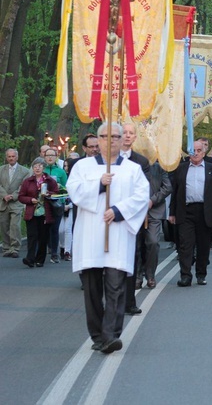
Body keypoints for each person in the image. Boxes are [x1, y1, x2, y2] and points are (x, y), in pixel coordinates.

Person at [66, 122, 149, 354]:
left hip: (118, 234)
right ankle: (97, 334)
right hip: (91, 235)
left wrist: (119, 210)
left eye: (115, 136)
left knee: (116, 286)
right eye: (105, 136)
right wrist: (99, 185)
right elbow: (74, 192)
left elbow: (142, 196)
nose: (109, 140)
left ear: (122, 139)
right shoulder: (82, 167)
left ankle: (111, 334)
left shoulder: (132, 169)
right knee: (92, 288)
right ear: (98, 140)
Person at [169, 141, 212, 286]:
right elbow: (175, 192)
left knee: (203, 244)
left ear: (204, 152)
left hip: (205, 212)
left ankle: (201, 273)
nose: (196, 153)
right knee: (185, 245)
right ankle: (185, 275)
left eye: (199, 150)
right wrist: (172, 212)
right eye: (193, 150)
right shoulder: (181, 169)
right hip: (185, 211)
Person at [120, 123, 151, 315]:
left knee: (132, 258)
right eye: (124, 132)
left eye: (131, 133)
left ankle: (129, 301)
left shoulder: (141, 161)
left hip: (132, 217)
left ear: (135, 138)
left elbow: (145, 188)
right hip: (111, 216)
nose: (127, 136)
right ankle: (113, 300)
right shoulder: (109, 160)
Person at [18, 157, 59, 267]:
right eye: (35, 166)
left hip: (46, 213)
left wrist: (48, 194)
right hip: (32, 212)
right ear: (32, 168)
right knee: (32, 236)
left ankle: (40, 259)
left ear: (44, 168)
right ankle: (30, 258)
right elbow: (21, 196)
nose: (37, 168)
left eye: (40, 166)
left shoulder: (50, 180)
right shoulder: (28, 181)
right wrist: (30, 200)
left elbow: (56, 193)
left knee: (43, 236)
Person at [142, 161, 171, 288]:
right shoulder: (133, 164)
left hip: (154, 212)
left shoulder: (159, 167)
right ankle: (137, 275)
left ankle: (150, 274)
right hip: (135, 211)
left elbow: (167, 187)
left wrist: (153, 200)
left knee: (153, 242)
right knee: (137, 245)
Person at [0, 149, 30, 258]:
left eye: (13, 156)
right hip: (3, 202)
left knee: (14, 225)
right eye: (9, 156)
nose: (11, 158)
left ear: (17, 157)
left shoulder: (25, 171)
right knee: (4, 225)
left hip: (16, 202)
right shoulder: (1, 170)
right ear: (6, 157)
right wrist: (4, 195)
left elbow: (23, 186)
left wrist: (13, 196)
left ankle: (15, 248)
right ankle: (6, 247)